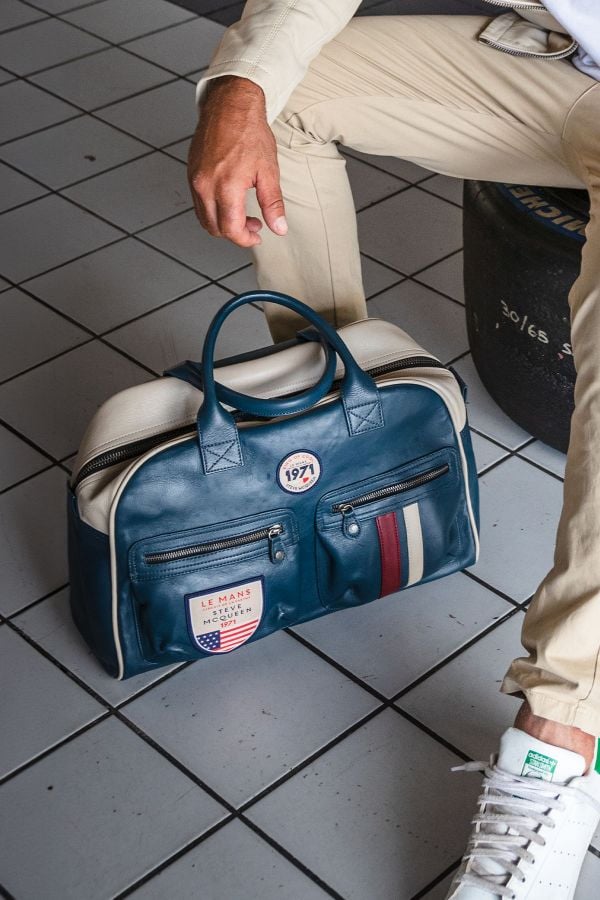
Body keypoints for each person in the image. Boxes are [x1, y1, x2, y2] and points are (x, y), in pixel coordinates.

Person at [187, 2, 600, 896]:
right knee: (284, 98)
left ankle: (558, 736)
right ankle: (351, 442)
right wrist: (240, 84)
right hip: (570, 69)